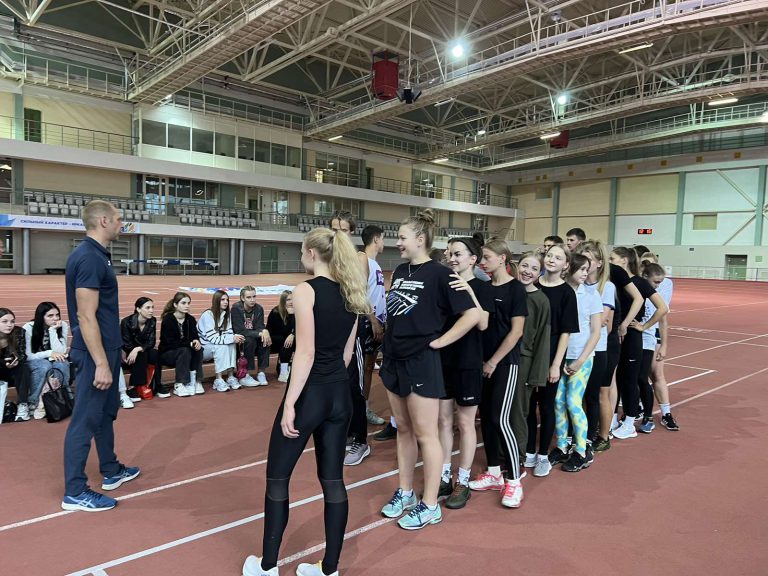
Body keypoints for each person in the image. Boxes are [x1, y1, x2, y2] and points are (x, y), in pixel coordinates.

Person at [242, 227, 370, 576]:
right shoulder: (352, 293)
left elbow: (306, 352)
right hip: (340, 395)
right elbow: (346, 355)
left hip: (311, 395)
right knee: (333, 481)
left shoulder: (305, 290)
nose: (301, 256)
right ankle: (329, 569)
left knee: (278, 478)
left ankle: (267, 566)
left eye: (302, 251)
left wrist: (290, 403)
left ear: (313, 253)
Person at [379, 209, 480, 530]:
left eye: (402, 237)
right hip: (394, 360)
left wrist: (440, 342)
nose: (397, 243)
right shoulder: (400, 270)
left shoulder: (441, 274)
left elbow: (472, 315)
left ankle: (431, 504)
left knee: (427, 434)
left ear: (420, 239)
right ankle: (406, 492)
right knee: (404, 429)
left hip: (422, 362)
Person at [62, 200, 139, 512]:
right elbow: (86, 316)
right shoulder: (89, 258)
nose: (122, 223)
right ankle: (74, 491)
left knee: (105, 414)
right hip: (95, 354)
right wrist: (102, 364)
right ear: (104, 221)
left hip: (106, 349)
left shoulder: (99, 256)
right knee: (84, 420)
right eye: (119, 218)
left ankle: (110, 469)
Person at [467, 239, 528, 508]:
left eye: (487, 257)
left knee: (501, 419)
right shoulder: (484, 288)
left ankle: (514, 481)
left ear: (502, 258)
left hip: (504, 364)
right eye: (481, 258)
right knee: (488, 420)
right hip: (483, 364)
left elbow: (516, 332)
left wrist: (493, 361)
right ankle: (493, 473)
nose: (482, 262)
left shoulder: (516, 289)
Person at [437, 236, 489, 510]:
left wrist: (468, 291)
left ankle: (463, 481)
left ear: (473, 259)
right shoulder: (444, 285)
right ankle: (445, 476)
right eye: (449, 254)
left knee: (466, 423)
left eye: (458, 253)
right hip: (443, 361)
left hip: (468, 362)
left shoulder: (483, 287)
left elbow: (482, 324)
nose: (452, 258)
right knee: (444, 422)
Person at [524, 243, 579, 477]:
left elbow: (566, 332)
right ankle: (528, 450)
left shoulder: (567, 293)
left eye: (558, 257)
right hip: (529, 352)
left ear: (566, 265)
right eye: (549, 255)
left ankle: (543, 455)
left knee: (546, 406)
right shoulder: (532, 285)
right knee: (527, 404)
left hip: (552, 351)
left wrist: (556, 364)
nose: (552, 260)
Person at [548, 253, 602, 472]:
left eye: (587, 269)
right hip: (560, 356)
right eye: (581, 269)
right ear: (569, 268)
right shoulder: (560, 291)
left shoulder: (591, 295)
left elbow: (596, 332)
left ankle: (581, 450)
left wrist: (580, 360)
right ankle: (562, 446)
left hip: (582, 357)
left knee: (573, 401)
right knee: (558, 401)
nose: (585, 273)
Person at [609, 247, 668, 440]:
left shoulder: (639, 282)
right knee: (616, 379)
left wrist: (643, 326)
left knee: (630, 380)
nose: (610, 262)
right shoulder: (615, 281)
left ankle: (629, 424)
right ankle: (613, 419)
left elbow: (662, 308)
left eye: (612, 258)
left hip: (632, 336)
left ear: (624, 260)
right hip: (617, 335)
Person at [329, 210, 371, 467]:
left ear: (351, 232)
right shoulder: (328, 256)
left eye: (343, 230)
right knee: (337, 382)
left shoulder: (359, 258)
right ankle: (344, 430)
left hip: (353, 325)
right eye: (334, 230)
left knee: (354, 384)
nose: (338, 234)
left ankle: (361, 439)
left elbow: (357, 291)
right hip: (333, 324)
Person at [576, 240, 618, 452]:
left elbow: (603, 321)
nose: (585, 264)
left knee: (595, 395)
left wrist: (589, 320)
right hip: (577, 348)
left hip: (598, 349)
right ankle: (580, 435)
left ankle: (597, 436)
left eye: (589, 260)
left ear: (600, 263)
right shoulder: (578, 285)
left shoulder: (606, 287)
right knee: (579, 396)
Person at [513, 253, 551, 460]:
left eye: (534, 268)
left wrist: (536, 375)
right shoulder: (510, 291)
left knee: (519, 411)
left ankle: (517, 457)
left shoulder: (541, 300)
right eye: (524, 266)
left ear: (539, 274)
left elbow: (543, 339)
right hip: (501, 359)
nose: (528, 271)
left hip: (524, 361)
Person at [639, 253, 679, 431]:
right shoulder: (636, 284)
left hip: (652, 334)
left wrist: (664, 345)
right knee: (638, 376)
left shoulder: (663, 285)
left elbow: (663, 317)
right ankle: (639, 408)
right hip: (639, 336)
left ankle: (665, 413)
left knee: (656, 374)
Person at [360, 225, 387, 428]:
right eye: (383, 239)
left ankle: (364, 407)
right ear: (376, 239)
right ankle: (359, 409)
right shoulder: (363, 260)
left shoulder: (375, 264)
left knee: (369, 367)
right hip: (368, 322)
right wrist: (373, 319)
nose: (384, 243)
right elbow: (360, 293)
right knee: (362, 368)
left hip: (378, 321)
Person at [23, 302, 71, 418]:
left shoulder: (62, 325)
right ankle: (33, 401)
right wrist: (49, 353)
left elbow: (61, 351)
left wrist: (52, 331)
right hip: (35, 360)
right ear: (41, 317)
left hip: (54, 358)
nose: (55, 318)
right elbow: (28, 355)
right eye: (50, 316)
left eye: (57, 315)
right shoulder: (29, 328)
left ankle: (61, 398)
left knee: (62, 364)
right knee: (44, 366)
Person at [158, 292, 204, 398]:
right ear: (175, 304)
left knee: (198, 349)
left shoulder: (190, 319)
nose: (187, 306)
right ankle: (179, 383)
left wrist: (196, 341)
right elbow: (170, 342)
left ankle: (195, 381)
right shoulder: (168, 319)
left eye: (188, 303)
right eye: (183, 303)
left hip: (185, 352)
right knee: (185, 350)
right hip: (167, 353)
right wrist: (189, 343)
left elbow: (194, 336)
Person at [198, 290, 245, 392]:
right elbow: (212, 338)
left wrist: (235, 338)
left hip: (215, 344)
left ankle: (230, 376)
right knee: (221, 346)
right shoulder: (208, 315)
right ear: (216, 301)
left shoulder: (226, 315)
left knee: (232, 343)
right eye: (222, 300)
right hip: (204, 347)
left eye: (227, 300)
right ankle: (218, 379)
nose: (225, 302)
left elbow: (229, 333)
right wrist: (231, 338)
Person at [231, 285, 271, 387]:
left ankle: (261, 373)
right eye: (249, 297)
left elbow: (259, 326)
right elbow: (239, 330)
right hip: (240, 339)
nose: (252, 300)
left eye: (254, 296)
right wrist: (260, 333)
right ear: (242, 298)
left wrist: (264, 331)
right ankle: (245, 375)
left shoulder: (259, 309)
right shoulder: (236, 308)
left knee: (265, 339)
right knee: (249, 340)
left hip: (253, 336)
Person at [120, 297, 159, 399]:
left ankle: (153, 384)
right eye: (148, 308)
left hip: (142, 351)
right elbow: (126, 344)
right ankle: (134, 386)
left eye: (152, 307)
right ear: (138, 309)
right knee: (142, 355)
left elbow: (151, 342)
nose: (151, 310)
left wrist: (137, 349)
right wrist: (136, 350)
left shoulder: (152, 321)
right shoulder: (126, 322)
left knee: (154, 353)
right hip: (128, 354)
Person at [0, 308, 30, 422]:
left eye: (12, 321)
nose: (9, 325)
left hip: (13, 371)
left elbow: (22, 354)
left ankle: (23, 405)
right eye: (5, 321)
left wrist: (15, 361)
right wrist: (3, 362)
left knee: (23, 367)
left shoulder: (19, 332)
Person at [266, 291, 296, 382]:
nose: (291, 302)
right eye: (288, 300)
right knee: (285, 341)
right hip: (274, 339)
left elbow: (301, 328)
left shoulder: (297, 310)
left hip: (288, 340)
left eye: (293, 299)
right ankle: (283, 372)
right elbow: (281, 331)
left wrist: (292, 334)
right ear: (283, 301)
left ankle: (285, 368)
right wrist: (291, 316)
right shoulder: (275, 312)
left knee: (293, 340)